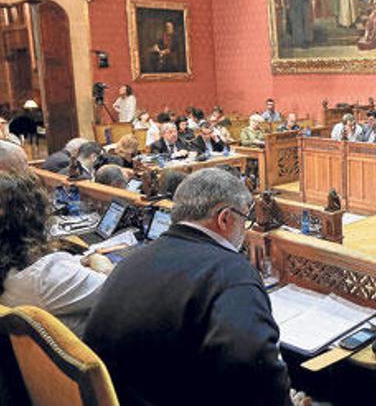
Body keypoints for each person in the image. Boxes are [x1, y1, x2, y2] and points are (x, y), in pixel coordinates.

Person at [83, 169, 297, 406]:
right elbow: (254, 366)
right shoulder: (231, 270)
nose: (245, 229)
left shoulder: (132, 260)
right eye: (245, 219)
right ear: (225, 218)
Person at [0, 172, 113, 337]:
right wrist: (99, 260)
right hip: (94, 351)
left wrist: (78, 260)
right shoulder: (43, 276)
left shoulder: (12, 267)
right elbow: (115, 291)